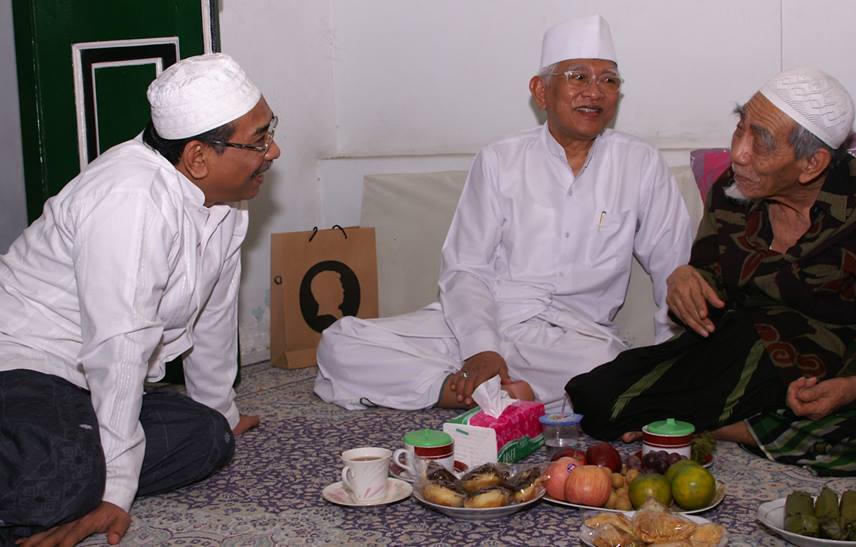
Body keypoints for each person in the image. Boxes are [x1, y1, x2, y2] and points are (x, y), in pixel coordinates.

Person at [566, 67, 856, 477]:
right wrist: (684, 282)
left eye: (759, 141)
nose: (738, 154)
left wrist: (850, 385)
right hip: (742, 356)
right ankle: (753, 425)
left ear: (812, 163)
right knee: (598, 400)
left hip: (834, 364)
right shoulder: (733, 191)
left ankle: (725, 426)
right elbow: (710, 279)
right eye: (739, 128)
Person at [314, 14, 692, 412]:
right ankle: (466, 389)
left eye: (609, 80)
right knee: (342, 342)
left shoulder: (640, 163)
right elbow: (465, 268)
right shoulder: (500, 159)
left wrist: (670, 362)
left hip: (571, 341)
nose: (595, 92)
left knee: (611, 371)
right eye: (578, 77)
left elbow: (675, 268)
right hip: (484, 319)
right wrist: (481, 348)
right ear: (541, 92)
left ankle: (485, 393)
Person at [0, 53, 280, 546]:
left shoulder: (227, 202)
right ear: (197, 157)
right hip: (25, 365)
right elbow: (119, 346)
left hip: (82, 387)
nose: (273, 150)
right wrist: (116, 491)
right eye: (258, 139)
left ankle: (67, 473)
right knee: (65, 471)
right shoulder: (130, 198)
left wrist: (222, 411)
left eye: (269, 130)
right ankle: (66, 479)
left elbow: (213, 316)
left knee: (207, 437)